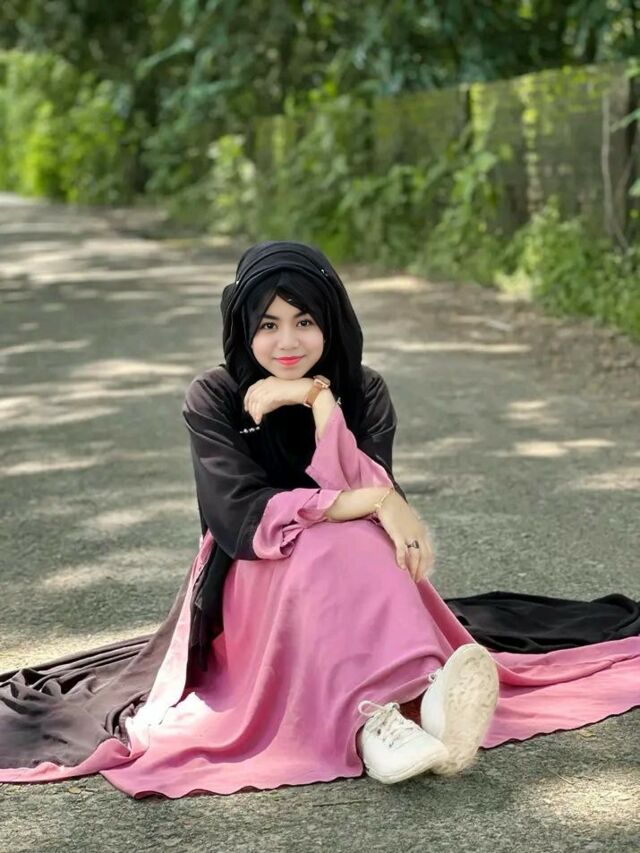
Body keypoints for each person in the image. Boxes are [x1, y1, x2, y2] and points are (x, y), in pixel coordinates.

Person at [0, 240, 638, 798]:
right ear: (244, 328)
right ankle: (377, 723)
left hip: (350, 567)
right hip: (253, 574)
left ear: (330, 321)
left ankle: (418, 705)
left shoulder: (364, 390)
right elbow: (241, 518)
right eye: (269, 324)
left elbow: (364, 492)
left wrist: (318, 401)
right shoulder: (213, 396)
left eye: (304, 322)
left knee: (349, 542)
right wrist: (376, 502)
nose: (287, 342)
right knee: (329, 543)